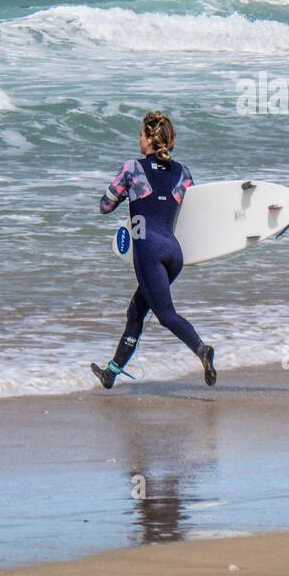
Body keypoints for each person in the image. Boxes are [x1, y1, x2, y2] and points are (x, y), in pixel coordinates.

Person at [91, 111, 217, 389]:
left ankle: (202, 350)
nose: (139, 139)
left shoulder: (132, 169)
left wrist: (123, 194)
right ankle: (112, 372)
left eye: (141, 134)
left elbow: (104, 206)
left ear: (149, 140)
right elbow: (195, 210)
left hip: (149, 251)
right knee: (136, 311)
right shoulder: (183, 173)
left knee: (165, 315)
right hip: (174, 253)